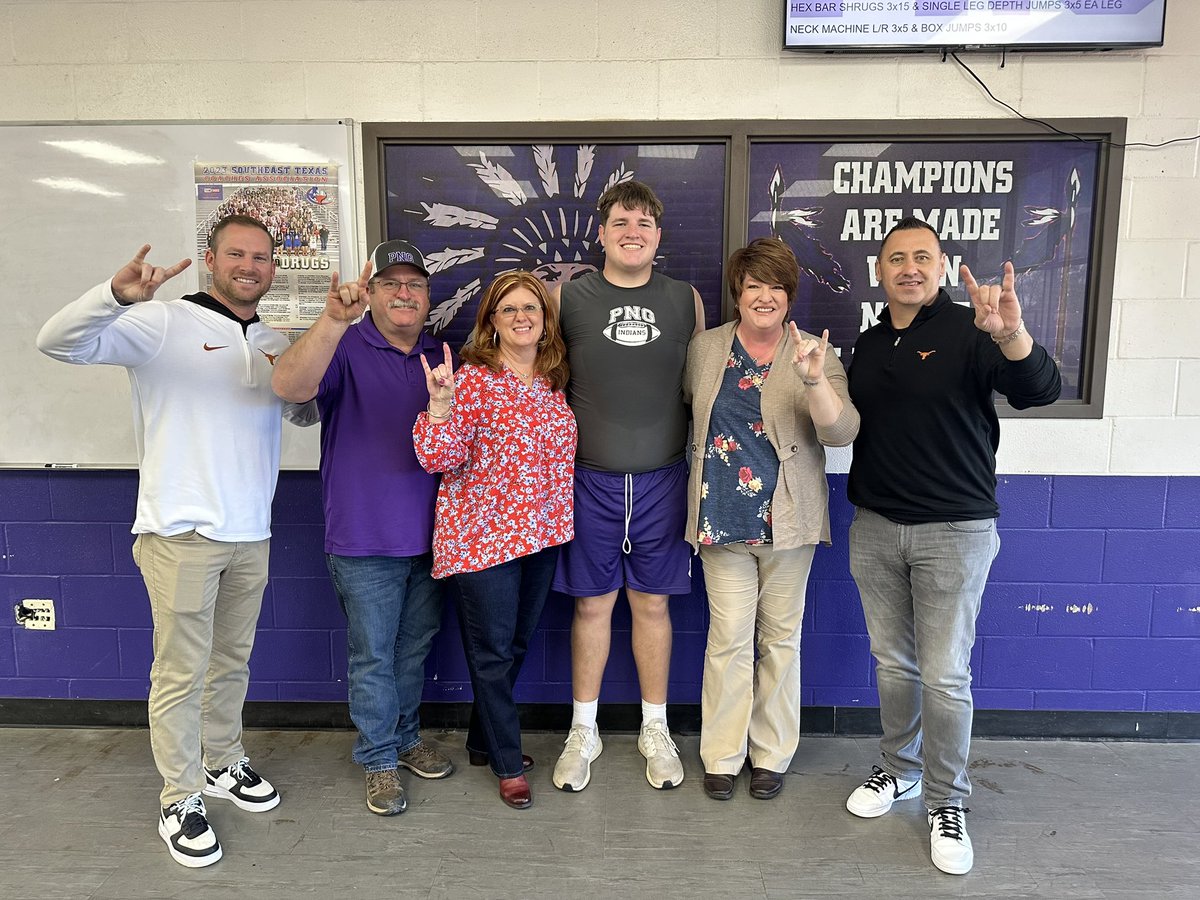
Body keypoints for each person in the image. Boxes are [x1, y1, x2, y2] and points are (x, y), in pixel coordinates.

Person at [36, 215, 318, 869]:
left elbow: (302, 407)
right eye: (237, 254)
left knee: (231, 665)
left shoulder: (274, 339)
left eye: (262, 257)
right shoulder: (158, 323)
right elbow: (57, 342)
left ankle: (223, 764)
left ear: (274, 269)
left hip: (252, 530)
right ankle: (180, 799)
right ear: (212, 260)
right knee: (180, 675)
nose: (250, 265)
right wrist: (113, 293)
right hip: (181, 532)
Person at [843, 217, 1061, 875]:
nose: (909, 267)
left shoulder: (974, 330)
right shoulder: (868, 341)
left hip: (954, 533)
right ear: (879, 272)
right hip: (876, 527)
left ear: (940, 267)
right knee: (894, 665)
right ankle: (899, 770)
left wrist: (1012, 334)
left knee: (944, 674)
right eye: (896, 258)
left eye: (923, 257)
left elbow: (1039, 390)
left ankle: (948, 801)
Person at [270, 239, 455, 818]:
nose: (405, 293)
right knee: (373, 655)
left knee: (414, 647)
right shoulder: (344, 345)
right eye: (391, 283)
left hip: (435, 539)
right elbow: (290, 390)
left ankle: (403, 739)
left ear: (428, 298)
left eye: (416, 284)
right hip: (363, 538)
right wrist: (330, 320)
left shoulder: (443, 354)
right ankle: (377, 759)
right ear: (370, 293)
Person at [683, 238, 859, 802]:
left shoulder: (814, 352)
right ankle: (722, 754)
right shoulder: (707, 348)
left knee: (780, 640)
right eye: (753, 285)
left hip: (789, 521)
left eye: (775, 287)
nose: (763, 296)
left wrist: (813, 379)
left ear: (789, 295)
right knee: (728, 639)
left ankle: (772, 753)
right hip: (721, 520)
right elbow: (692, 408)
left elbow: (840, 432)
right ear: (738, 292)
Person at [549, 180, 705, 793]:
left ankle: (654, 727)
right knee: (592, 604)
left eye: (644, 221)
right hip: (588, 479)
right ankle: (582, 730)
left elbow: (701, 389)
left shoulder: (684, 300)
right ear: (602, 231)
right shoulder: (568, 297)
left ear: (658, 235)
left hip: (664, 478)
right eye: (621, 220)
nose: (632, 230)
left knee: (653, 603)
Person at [414, 271, 576, 810]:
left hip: (541, 535)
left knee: (516, 645)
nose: (522, 316)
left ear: (545, 319)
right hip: (481, 539)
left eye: (531, 307)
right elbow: (439, 458)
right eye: (508, 309)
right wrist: (440, 404)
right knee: (491, 653)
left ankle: (484, 742)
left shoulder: (555, 381)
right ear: (491, 322)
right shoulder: (474, 379)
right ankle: (508, 763)